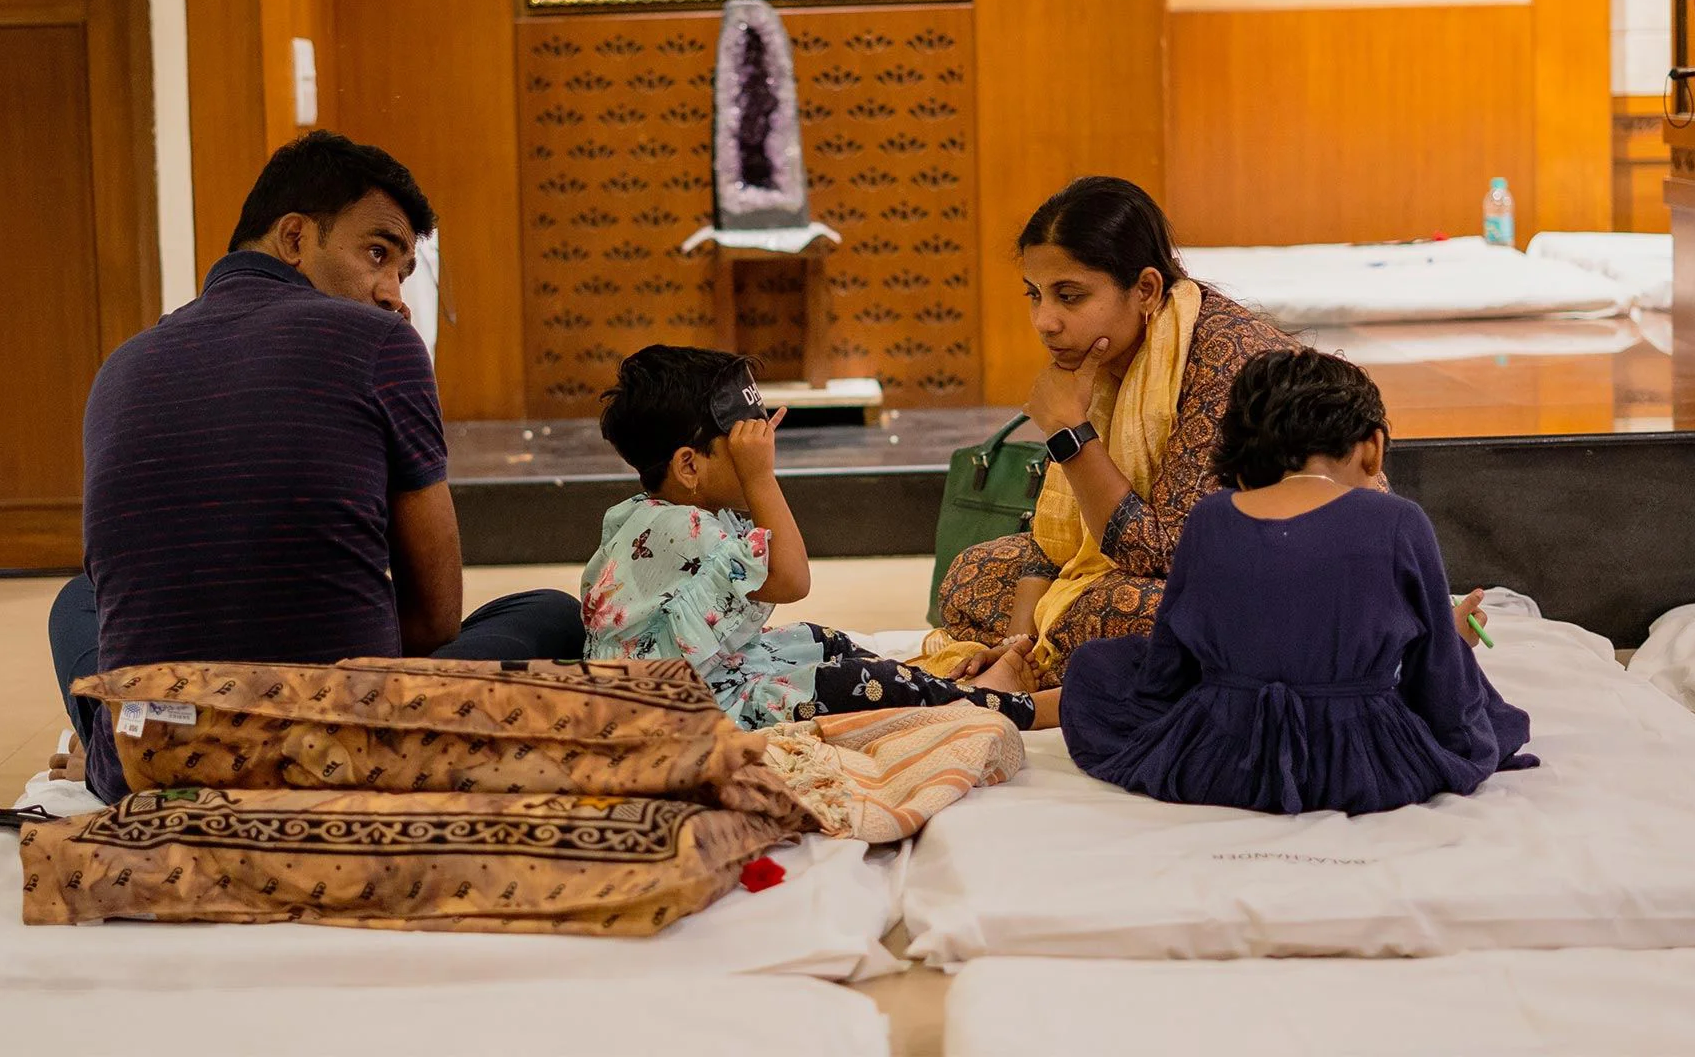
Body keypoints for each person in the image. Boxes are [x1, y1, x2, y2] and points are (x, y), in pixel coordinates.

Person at [49, 131, 583, 800]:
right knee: (552, 613)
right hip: (341, 747)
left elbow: (129, 587)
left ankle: (105, 745)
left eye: (403, 273)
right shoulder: (384, 343)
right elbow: (436, 619)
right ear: (296, 238)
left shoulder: (120, 367)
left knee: (76, 603)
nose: (393, 295)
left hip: (152, 757)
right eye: (378, 254)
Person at [1059, 349, 1538, 815]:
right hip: (1362, 765)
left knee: (1100, 665)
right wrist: (1454, 651)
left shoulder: (1210, 518)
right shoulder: (1398, 521)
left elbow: (1168, 672)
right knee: (1458, 677)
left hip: (1226, 761)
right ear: (1373, 447)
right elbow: (1438, 682)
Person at [926, 176, 1294, 690]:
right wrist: (1016, 646)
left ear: (1146, 289)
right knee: (972, 574)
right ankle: (1053, 665)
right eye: (1035, 295)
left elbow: (1164, 554)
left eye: (1069, 296)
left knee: (1109, 608)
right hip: (1148, 564)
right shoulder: (1105, 354)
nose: (1045, 321)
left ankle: (1083, 669)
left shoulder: (1222, 361)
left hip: (1266, 588)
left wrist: (1070, 434)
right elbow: (1057, 538)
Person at [580, 345, 1058, 731]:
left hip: (712, 676)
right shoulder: (677, 528)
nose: (765, 449)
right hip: (687, 711)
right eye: (747, 445)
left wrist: (751, 470)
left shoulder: (684, 513)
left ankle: (937, 687)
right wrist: (760, 478)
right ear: (689, 465)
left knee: (820, 640)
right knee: (861, 682)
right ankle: (1016, 708)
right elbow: (792, 580)